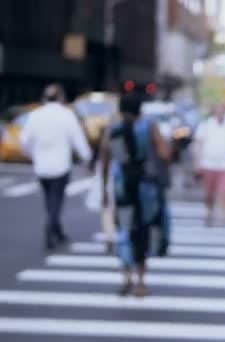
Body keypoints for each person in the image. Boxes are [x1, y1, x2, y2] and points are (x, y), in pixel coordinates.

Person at [100, 93, 170, 297]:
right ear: (141, 108)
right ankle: (141, 282)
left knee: (124, 229)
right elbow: (165, 154)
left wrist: (105, 189)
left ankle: (125, 276)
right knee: (142, 232)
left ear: (121, 109)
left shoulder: (113, 129)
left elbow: (104, 159)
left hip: (122, 187)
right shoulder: (149, 127)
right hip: (146, 188)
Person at [20, 84, 92, 250]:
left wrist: (34, 155)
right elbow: (78, 141)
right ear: (61, 97)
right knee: (56, 201)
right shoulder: (67, 115)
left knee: (49, 200)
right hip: (60, 166)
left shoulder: (35, 116)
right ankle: (51, 228)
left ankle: (56, 230)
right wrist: (88, 160)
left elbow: (24, 142)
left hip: (41, 166)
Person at [193, 103, 225, 226]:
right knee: (208, 193)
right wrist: (197, 162)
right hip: (208, 164)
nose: (221, 112)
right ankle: (209, 211)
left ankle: (223, 215)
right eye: (219, 110)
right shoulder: (206, 125)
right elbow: (198, 144)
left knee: (224, 191)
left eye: (223, 110)